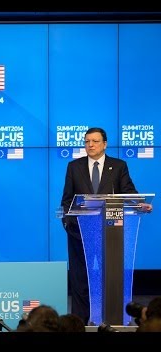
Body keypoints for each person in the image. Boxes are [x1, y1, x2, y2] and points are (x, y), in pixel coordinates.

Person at [60, 127, 152, 325]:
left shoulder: (118, 166)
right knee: (80, 282)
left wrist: (139, 205)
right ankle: (80, 323)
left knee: (108, 281)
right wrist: (68, 223)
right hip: (80, 235)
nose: (90, 145)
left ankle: (110, 321)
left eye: (94, 141)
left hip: (109, 235)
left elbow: (128, 193)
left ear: (104, 144)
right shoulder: (74, 167)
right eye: (86, 142)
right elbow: (67, 200)